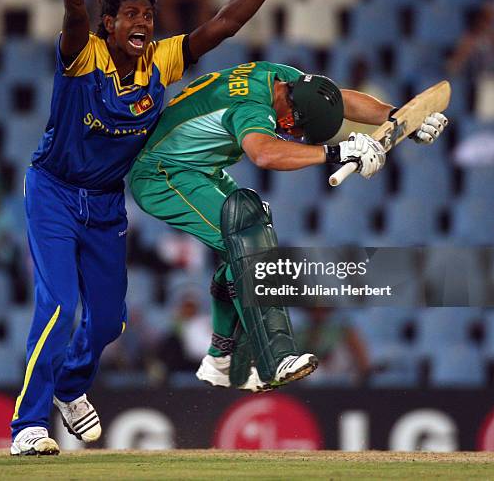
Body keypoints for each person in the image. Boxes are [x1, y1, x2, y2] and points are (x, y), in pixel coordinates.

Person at [10, 0, 297, 456]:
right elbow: (72, 14)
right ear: (108, 24)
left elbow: (225, 25)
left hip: (106, 202)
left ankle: (71, 389)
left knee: (109, 323)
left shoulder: (158, 60)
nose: (143, 22)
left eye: (148, 15)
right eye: (131, 16)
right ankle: (28, 426)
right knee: (60, 307)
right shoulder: (82, 53)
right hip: (55, 193)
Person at [129, 62, 448, 391]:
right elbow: (265, 155)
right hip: (163, 174)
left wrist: (397, 118)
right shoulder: (252, 108)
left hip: (197, 169)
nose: (294, 136)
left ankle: (220, 360)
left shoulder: (281, 80)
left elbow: (340, 100)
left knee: (249, 246)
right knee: (247, 245)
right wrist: (336, 151)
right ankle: (274, 358)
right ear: (292, 112)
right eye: (298, 129)